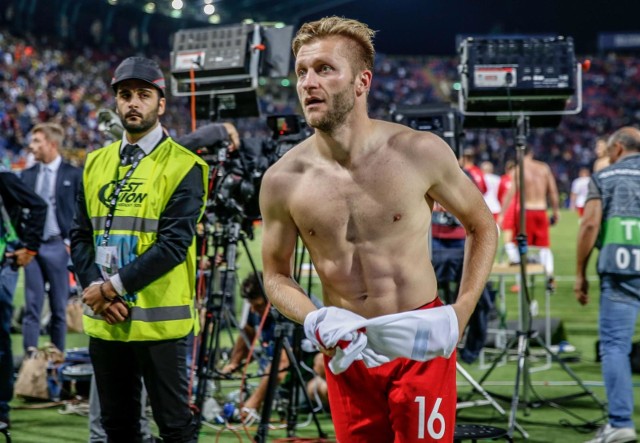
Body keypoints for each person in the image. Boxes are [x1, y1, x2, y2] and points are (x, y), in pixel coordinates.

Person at [259, 16, 498, 442]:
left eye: (324, 69)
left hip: (419, 344)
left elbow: (482, 225)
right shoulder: (282, 179)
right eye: (301, 72)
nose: (308, 82)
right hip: (347, 348)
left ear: (361, 81)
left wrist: (461, 314)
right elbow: (276, 275)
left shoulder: (419, 151)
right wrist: (314, 318)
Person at [70, 56, 208, 442]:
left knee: (175, 428)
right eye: (125, 95)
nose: (133, 103)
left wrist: (109, 287)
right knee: (117, 427)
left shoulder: (186, 165)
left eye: (143, 95)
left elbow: (173, 245)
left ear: (160, 104)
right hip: (107, 321)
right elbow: (80, 235)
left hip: (159, 323)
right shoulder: (94, 162)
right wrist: (96, 290)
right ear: (116, 102)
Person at [575, 127, 640, 443]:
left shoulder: (606, 177)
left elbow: (589, 225)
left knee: (616, 345)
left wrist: (580, 273)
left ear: (616, 148)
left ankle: (621, 424)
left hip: (621, 266)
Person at [20, 122, 82, 354]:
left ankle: (57, 363)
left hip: (58, 245)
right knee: (32, 308)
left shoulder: (73, 174)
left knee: (58, 309)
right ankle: (31, 366)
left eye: (37, 141)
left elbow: (81, 212)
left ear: (52, 144)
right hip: (32, 248)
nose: (31, 146)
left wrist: (69, 243)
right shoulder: (26, 175)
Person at [0, 169, 46, 428]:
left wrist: (29, 247)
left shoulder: (4, 179)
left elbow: (38, 205)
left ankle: (1, 409)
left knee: (0, 339)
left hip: (3, 264)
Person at [218, 272, 290, 424]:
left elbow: (282, 365)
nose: (252, 310)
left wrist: (252, 404)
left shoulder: (289, 309)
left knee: (319, 389)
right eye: (250, 305)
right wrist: (234, 363)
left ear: (271, 300)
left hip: (308, 380)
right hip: (283, 385)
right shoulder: (256, 311)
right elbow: (247, 332)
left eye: (257, 305)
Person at [499, 147, 560, 282]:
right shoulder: (544, 168)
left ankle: (521, 280)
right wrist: (556, 212)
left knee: (518, 244)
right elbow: (553, 192)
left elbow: (510, 194)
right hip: (541, 209)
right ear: (531, 153)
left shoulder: (519, 170)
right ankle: (549, 275)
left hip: (525, 211)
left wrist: (502, 214)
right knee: (544, 246)